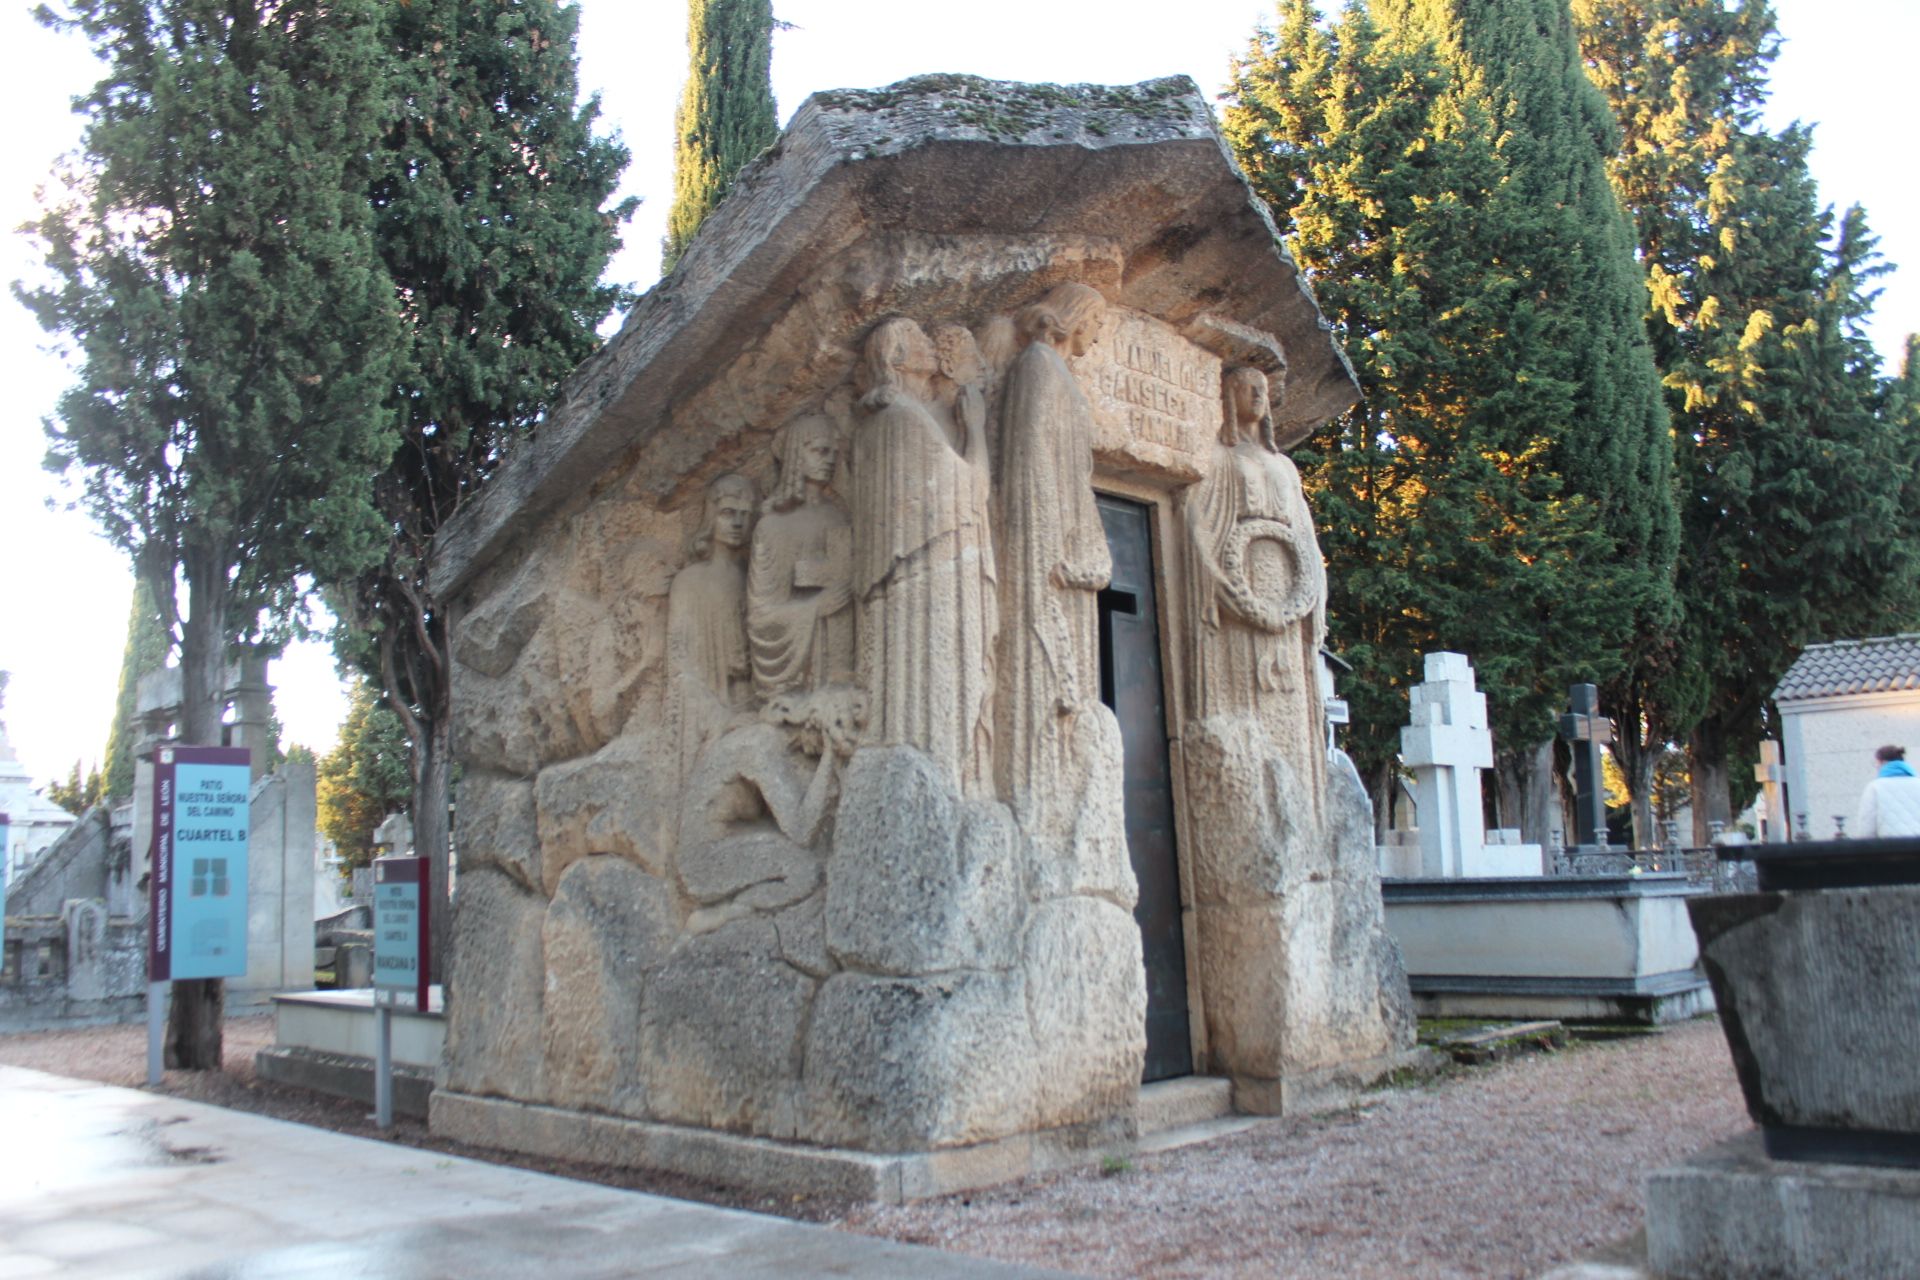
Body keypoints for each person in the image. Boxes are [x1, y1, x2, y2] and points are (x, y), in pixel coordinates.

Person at [1852, 744, 1920, 837]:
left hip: (1890, 847)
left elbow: (1867, 827)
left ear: (1882, 762)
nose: (1876, 767)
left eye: (1876, 763)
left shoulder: (1875, 787)